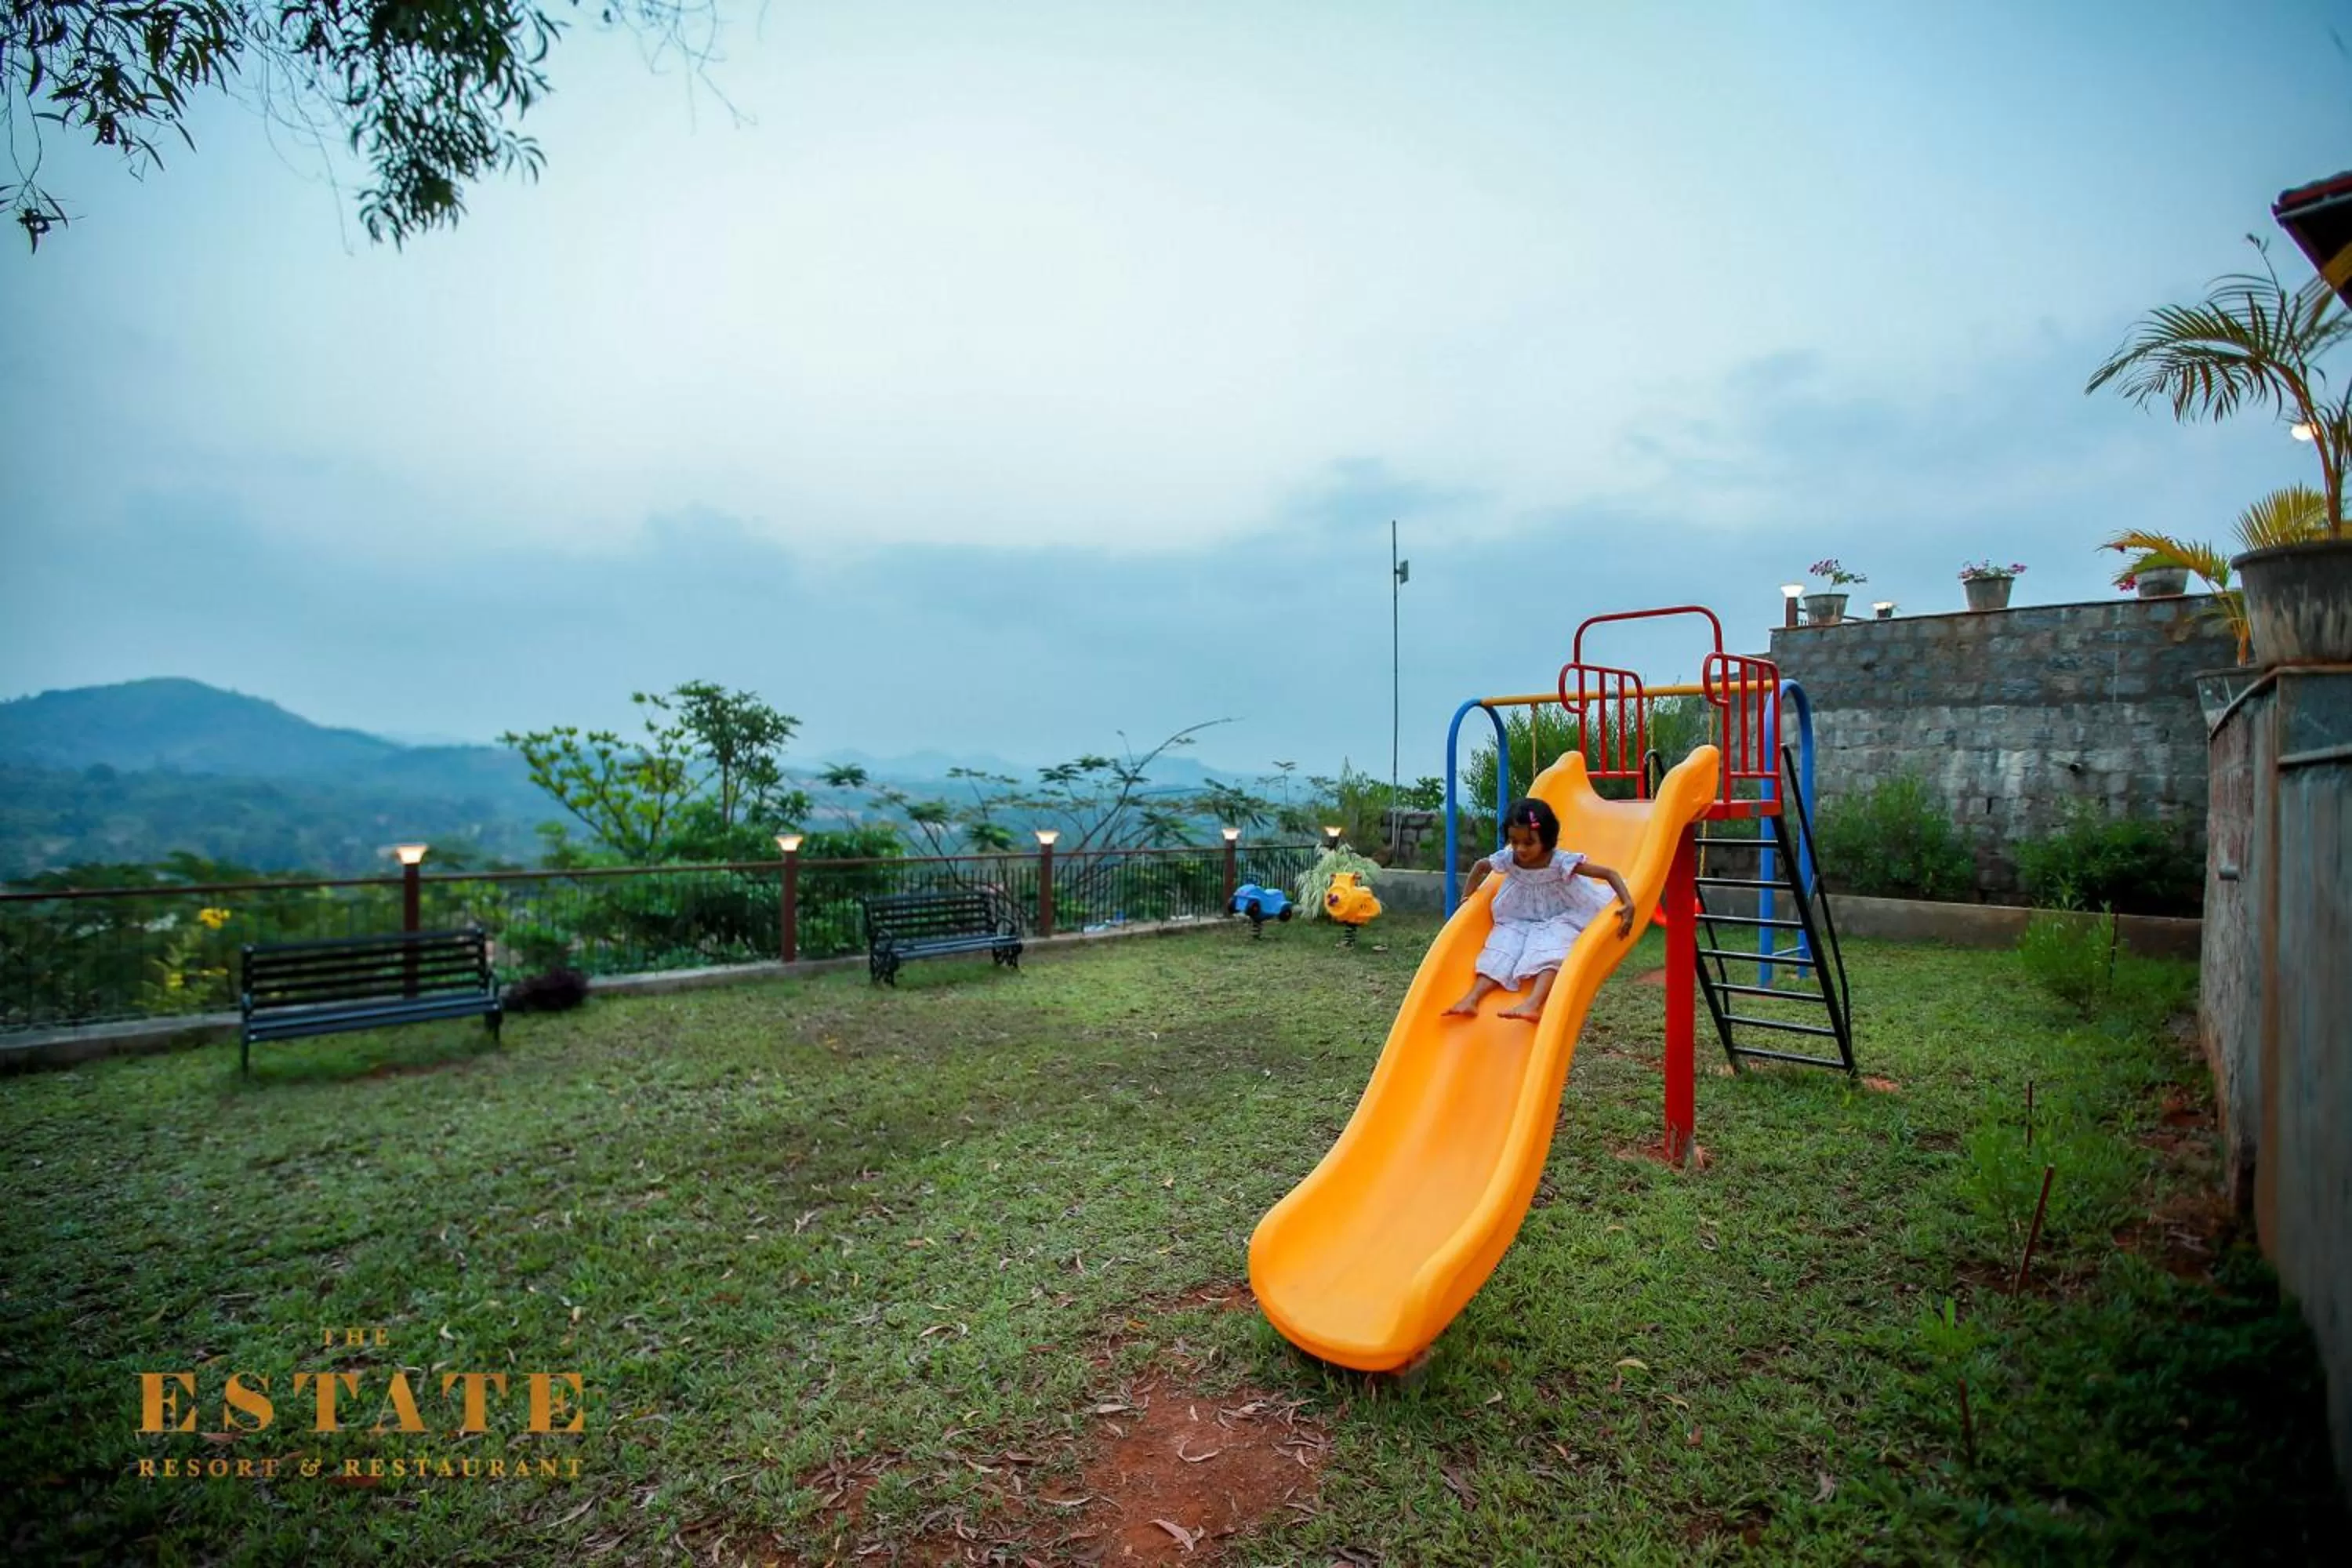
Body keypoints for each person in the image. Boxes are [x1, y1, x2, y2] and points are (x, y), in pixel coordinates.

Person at [1442, 797, 1635, 1022]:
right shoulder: (1510, 859)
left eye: (1529, 842)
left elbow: (1609, 874)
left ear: (1546, 839)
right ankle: (1472, 999)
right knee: (1501, 948)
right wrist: (1467, 897)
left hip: (1561, 913)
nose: (1520, 849)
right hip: (1518, 915)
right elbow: (1480, 867)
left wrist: (1628, 903)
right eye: (1514, 841)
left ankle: (1533, 1003)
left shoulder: (1560, 862)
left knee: (1552, 948)